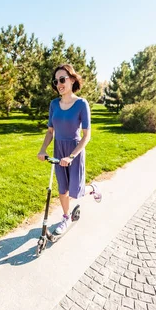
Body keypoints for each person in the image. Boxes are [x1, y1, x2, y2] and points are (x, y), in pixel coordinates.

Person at [37, 64, 102, 236]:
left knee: (77, 191)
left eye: (62, 79)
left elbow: (86, 136)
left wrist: (72, 156)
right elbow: (51, 131)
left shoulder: (81, 104)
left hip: (74, 150)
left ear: (72, 80)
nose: (59, 83)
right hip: (59, 149)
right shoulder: (54, 104)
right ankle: (66, 217)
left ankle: (93, 188)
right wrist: (43, 150)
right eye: (56, 81)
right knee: (62, 189)